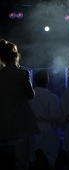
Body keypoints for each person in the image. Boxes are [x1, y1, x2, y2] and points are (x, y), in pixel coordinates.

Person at [0, 39, 39, 170]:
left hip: (3, 124)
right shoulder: (22, 74)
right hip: (20, 124)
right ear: (16, 56)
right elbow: (31, 95)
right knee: (21, 161)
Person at [29, 70, 61, 170]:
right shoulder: (52, 98)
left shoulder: (29, 98)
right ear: (47, 80)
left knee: (34, 158)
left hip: (33, 130)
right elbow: (54, 117)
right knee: (50, 156)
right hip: (48, 129)